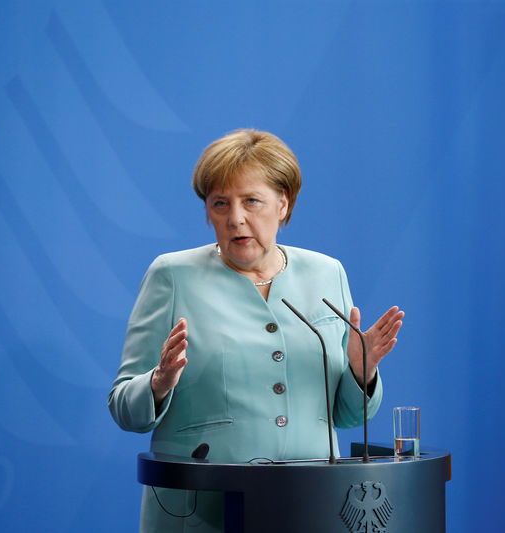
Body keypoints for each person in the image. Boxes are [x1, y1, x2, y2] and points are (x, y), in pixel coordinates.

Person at [108, 129, 404, 532]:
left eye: (251, 201)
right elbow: (124, 405)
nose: (235, 218)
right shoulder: (172, 276)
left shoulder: (326, 273)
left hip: (312, 507)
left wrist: (359, 371)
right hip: (202, 512)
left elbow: (348, 415)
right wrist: (158, 383)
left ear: (283, 204)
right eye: (220, 203)